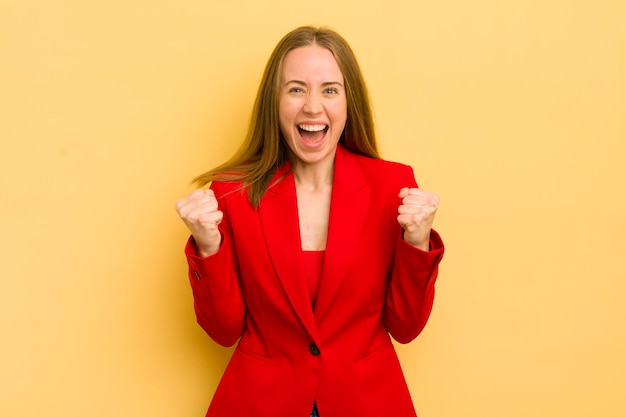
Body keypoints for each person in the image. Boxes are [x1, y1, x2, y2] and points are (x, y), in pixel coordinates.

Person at [175, 25, 444, 417]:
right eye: (296, 89)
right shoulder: (231, 194)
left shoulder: (393, 188)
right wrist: (207, 245)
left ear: (349, 102)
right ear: (275, 101)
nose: (313, 107)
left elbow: (405, 328)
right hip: (261, 404)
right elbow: (224, 331)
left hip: (366, 402)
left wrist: (417, 242)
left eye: (330, 90)